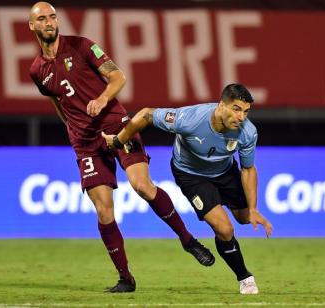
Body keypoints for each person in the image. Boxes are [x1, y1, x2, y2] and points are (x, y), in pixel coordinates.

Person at [28, 2, 214, 293]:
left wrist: (102, 100)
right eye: (42, 19)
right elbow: (57, 102)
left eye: (52, 16)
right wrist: (72, 129)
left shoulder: (82, 46)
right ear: (32, 26)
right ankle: (126, 278)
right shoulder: (37, 70)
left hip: (116, 124)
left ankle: (187, 240)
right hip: (85, 142)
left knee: (142, 185)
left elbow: (118, 77)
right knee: (104, 213)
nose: (49, 22)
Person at [102, 83, 273, 294]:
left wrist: (254, 209)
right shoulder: (190, 119)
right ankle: (245, 277)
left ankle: (244, 221)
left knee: (244, 218)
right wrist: (119, 141)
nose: (241, 117)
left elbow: (248, 169)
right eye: (236, 109)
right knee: (224, 228)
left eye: (246, 112)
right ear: (221, 106)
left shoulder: (247, 132)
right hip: (191, 175)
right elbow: (146, 114)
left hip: (225, 172)